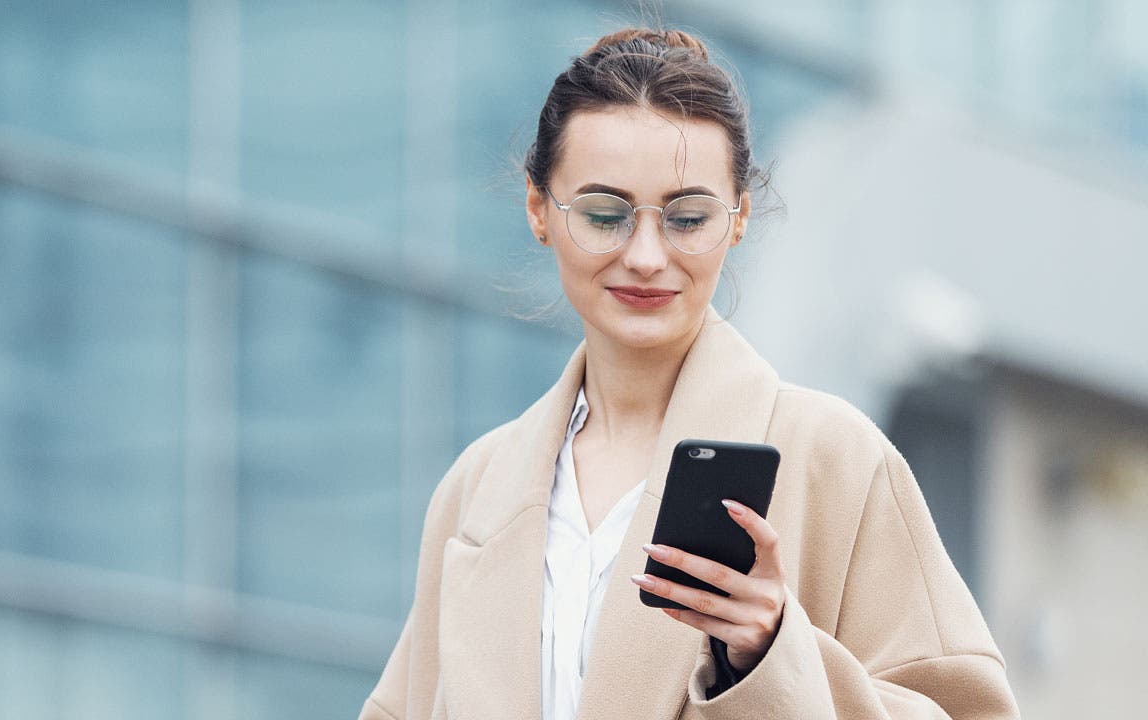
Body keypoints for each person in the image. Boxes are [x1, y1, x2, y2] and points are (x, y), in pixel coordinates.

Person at [359, 27, 1019, 720]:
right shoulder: (477, 489)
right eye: (605, 214)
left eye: (688, 217)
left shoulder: (833, 458)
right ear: (537, 211)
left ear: (738, 218)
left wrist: (770, 653)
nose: (646, 255)